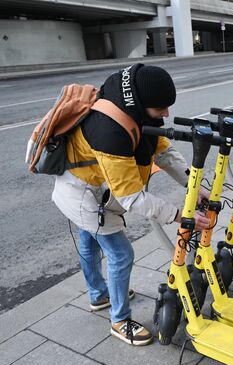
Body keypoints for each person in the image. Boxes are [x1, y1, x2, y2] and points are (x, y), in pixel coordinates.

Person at [52, 64, 209, 346]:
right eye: (161, 108)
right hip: (82, 195)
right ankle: (120, 320)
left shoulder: (134, 108)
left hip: (88, 187)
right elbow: (131, 197)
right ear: (142, 104)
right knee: (121, 254)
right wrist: (180, 216)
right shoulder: (110, 131)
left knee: (89, 241)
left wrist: (193, 185)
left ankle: (99, 295)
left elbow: (163, 151)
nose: (167, 114)